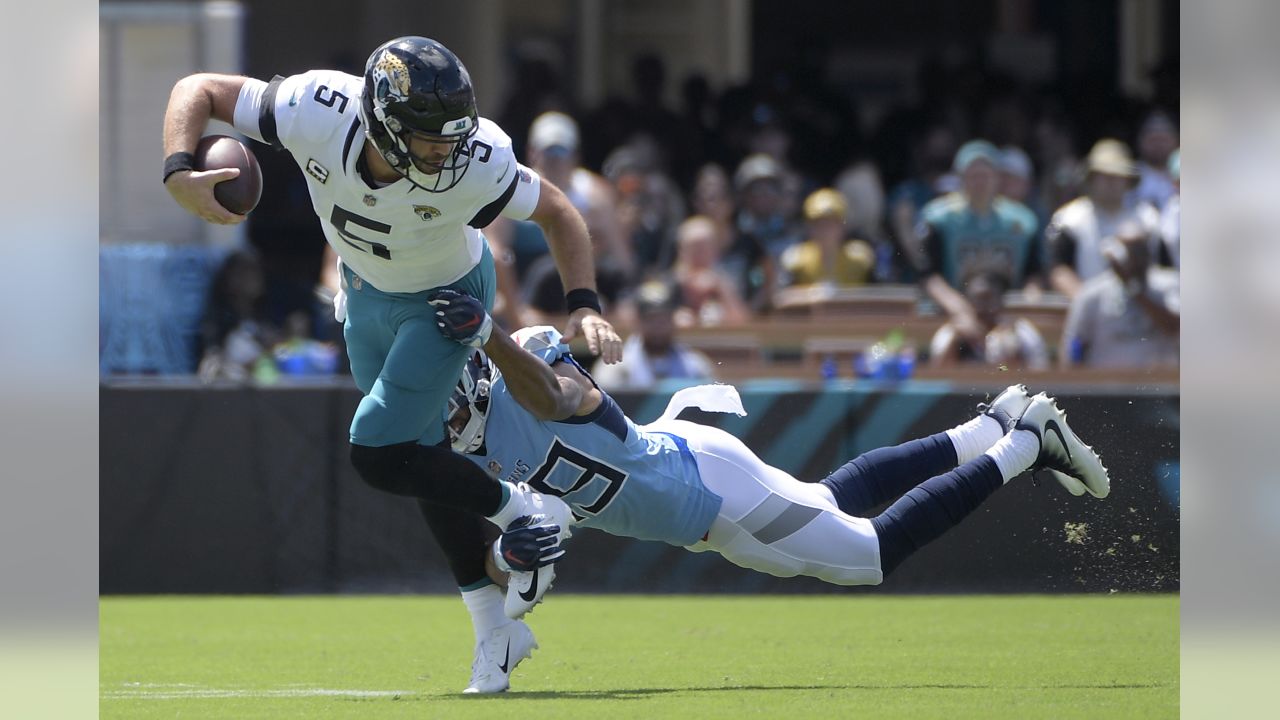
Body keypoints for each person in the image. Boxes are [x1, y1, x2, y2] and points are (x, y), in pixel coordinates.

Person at [161, 36, 622, 694]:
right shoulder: (318, 107)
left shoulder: (478, 158)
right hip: (366, 293)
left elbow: (557, 210)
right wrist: (178, 167)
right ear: (381, 123)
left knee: (377, 451)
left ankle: (523, 511)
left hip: (446, 300)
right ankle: (496, 634)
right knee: (422, 462)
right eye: (431, 140)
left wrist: (583, 303)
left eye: (451, 137)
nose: (447, 153)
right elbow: (197, 88)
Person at [425, 288, 1110, 688]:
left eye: (445, 406)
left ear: (472, 384)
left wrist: (492, 336)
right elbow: (504, 563)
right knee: (829, 500)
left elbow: (565, 393)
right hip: (700, 510)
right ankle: (991, 422)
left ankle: (1027, 443)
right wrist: (511, 560)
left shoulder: (532, 381)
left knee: (868, 557)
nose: (441, 423)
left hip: (705, 484)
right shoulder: (478, 456)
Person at [914, 140, 1042, 354]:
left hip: (1007, 313)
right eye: (973, 176)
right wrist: (959, 309)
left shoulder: (1021, 222)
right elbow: (928, 275)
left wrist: (1027, 304)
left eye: (985, 175)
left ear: (997, 178)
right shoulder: (939, 219)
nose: (979, 182)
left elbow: (1034, 274)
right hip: (952, 312)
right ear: (961, 179)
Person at [1044, 139, 1163, 299]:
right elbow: (1058, 269)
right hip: (1085, 310)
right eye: (1104, 176)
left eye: (1117, 176)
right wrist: (1086, 304)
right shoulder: (1069, 219)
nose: (1111, 182)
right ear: (1090, 179)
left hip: (1142, 310)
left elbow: (1163, 269)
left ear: (1128, 180)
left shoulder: (1148, 219)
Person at [1060, 221, 1179, 369]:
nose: (1136, 256)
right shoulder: (1093, 294)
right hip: (1107, 386)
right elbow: (1075, 343)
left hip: (1159, 387)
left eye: (1140, 249)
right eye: (1129, 249)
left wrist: (1134, 289)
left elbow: (1175, 327)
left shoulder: (1169, 285)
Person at [589, 280, 716, 391]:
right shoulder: (616, 366)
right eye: (651, 319)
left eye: (664, 319)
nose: (658, 326)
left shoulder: (695, 366)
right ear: (637, 322)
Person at [928, 271, 1050, 371]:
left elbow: (1037, 375)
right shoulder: (950, 332)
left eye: (988, 298)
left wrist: (1011, 346)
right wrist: (955, 342)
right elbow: (936, 374)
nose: (983, 305)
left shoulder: (1022, 332)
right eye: (976, 299)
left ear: (1001, 300)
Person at [781, 188, 876, 288]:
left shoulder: (861, 259)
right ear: (809, 228)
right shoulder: (796, 260)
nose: (825, 230)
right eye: (818, 224)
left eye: (831, 224)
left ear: (843, 226)